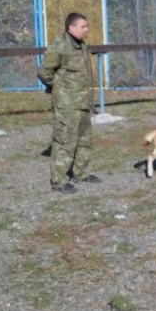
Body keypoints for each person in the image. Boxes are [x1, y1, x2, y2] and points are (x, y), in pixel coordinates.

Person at [37, 13, 101, 193]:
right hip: (66, 104)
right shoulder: (60, 46)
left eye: (86, 26)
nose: (87, 29)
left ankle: (81, 173)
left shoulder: (80, 45)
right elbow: (44, 72)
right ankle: (59, 181)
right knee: (64, 142)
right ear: (71, 28)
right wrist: (58, 88)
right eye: (83, 26)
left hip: (82, 103)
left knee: (84, 140)